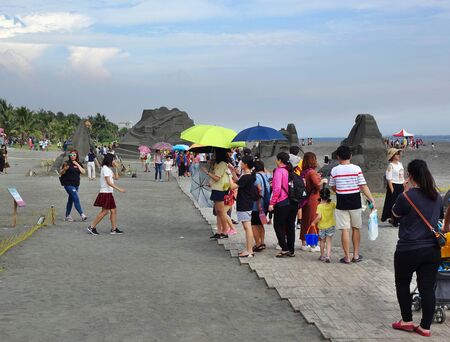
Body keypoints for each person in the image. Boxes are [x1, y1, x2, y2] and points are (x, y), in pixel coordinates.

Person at [391, 159, 443, 337]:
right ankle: (425, 327)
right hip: (432, 249)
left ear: (410, 175)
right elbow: (439, 217)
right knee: (427, 287)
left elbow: (396, 214)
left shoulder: (406, 196)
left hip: (408, 248)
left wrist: (405, 192)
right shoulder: (437, 196)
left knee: (402, 283)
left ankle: (406, 321)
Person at [329, 146, 375, 264]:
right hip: (355, 200)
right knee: (356, 228)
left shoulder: (334, 170)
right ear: (350, 156)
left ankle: (346, 257)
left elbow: (333, 187)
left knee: (345, 229)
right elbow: (363, 186)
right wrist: (371, 199)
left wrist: (340, 189)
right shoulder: (356, 169)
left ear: (338, 157)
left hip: (341, 201)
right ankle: (355, 255)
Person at [87, 153, 126, 235]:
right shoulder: (105, 168)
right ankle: (91, 226)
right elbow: (108, 182)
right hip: (105, 193)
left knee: (113, 210)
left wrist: (116, 168)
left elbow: (117, 178)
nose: (114, 161)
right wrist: (119, 189)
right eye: (113, 160)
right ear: (110, 160)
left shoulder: (108, 169)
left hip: (108, 193)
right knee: (105, 211)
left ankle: (114, 229)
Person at [268, 152, 298, 257]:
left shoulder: (279, 171)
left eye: (277, 159)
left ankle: (284, 248)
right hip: (293, 203)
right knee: (290, 226)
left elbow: (276, 189)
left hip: (282, 202)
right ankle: (291, 250)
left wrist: (272, 203)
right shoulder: (290, 170)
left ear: (280, 160)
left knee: (278, 226)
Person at [229, 155, 256, 257]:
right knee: (247, 227)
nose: (240, 164)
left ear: (245, 164)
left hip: (244, 203)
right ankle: (249, 249)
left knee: (247, 227)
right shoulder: (248, 175)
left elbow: (233, 186)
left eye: (242, 163)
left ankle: (249, 250)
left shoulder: (246, 176)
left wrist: (227, 176)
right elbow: (238, 181)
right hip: (247, 202)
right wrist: (232, 171)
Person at [202, 148, 232, 240]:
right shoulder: (218, 163)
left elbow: (217, 178)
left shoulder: (223, 164)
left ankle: (225, 231)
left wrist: (207, 172)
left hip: (220, 190)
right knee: (218, 211)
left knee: (221, 211)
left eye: (215, 153)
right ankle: (219, 231)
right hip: (216, 188)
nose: (213, 155)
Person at [300, 152, 327, 251]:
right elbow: (317, 184)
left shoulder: (305, 172)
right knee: (313, 220)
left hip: (306, 199)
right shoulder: (312, 172)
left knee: (306, 220)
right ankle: (312, 245)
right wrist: (323, 180)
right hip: (314, 199)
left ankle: (304, 242)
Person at [59, 150, 87, 222]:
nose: (72, 156)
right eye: (71, 155)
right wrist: (64, 169)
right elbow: (61, 173)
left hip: (76, 184)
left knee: (71, 200)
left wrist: (77, 164)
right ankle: (82, 214)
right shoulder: (67, 163)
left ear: (77, 155)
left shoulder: (79, 163)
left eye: (74, 155)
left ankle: (67, 215)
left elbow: (83, 172)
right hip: (68, 184)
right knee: (76, 198)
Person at [310, 188, 336, 263]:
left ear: (320, 196)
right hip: (330, 225)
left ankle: (322, 255)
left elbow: (319, 217)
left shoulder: (320, 206)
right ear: (329, 196)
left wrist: (313, 222)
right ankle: (328, 256)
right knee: (329, 241)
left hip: (322, 226)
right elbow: (337, 206)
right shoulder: (332, 204)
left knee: (322, 241)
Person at [251, 160, 271, 252]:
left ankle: (258, 244)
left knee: (254, 224)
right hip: (266, 203)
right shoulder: (267, 176)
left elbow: (259, 190)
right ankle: (262, 242)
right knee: (261, 223)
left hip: (257, 205)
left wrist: (258, 204)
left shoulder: (256, 177)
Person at [381, 148, 404, 226]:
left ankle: (399, 219)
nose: (399, 155)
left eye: (399, 153)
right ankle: (394, 220)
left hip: (401, 185)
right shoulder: (391, 166)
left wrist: (404, 185)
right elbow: (389, 178)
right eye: (397, 153)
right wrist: (392, 190)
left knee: (400, 203)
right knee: (393, 203)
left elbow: (402, 176)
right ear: (393, 156)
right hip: (394, 185)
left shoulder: (400, 164)